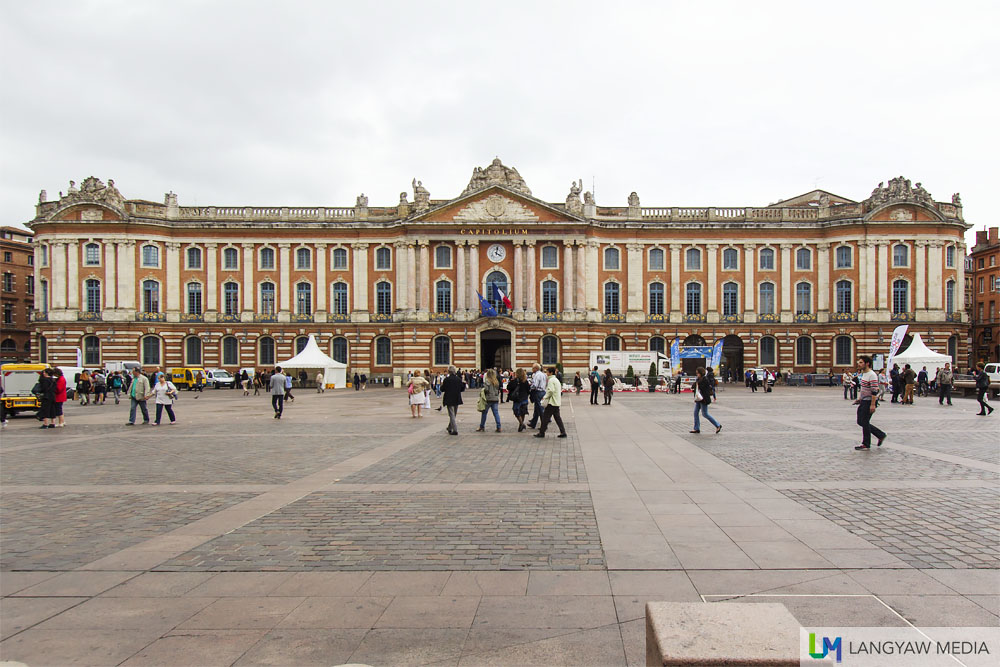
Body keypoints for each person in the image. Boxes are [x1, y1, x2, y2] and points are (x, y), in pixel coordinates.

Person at [853, 355, 886, 450]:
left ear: (867, 363)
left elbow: (874, 390)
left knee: (864, 421)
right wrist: (860, 398)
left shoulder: (872, 375)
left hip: (869, 402)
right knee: (861, 421)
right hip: (864, 401)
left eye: (861, 362)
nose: (858, 364)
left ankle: (866, 443)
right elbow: (864, 388)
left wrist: (872, 404)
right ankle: (880, 435)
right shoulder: (864, 374)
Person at [534, 366, 567, 438]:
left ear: (551, 373)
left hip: (551, 402)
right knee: (557, 417)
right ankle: (563, 431)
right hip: (556, 401)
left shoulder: (551, 380)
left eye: (547, 372)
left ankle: (542, 432)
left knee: (545, 417)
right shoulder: (556, 380)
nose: (546, 373)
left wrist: (545, 397)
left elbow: (550, 390)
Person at [690, 366, 722, 434]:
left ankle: (718, 425)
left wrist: (696, 385)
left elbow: (703, 388)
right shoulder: (698, 379)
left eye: (697, 373)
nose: (697, 374)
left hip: (703, 399)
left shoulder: (705, 379)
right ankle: (696, 428)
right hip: (699, 399)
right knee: (695, 413)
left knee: (705, 414)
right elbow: (695, 386)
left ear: (701, 373)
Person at [441, 365, 464, 435]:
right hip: (456, 398)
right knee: (454, 414)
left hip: (449, 399)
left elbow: (442, 389)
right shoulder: (458, 379)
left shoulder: (447, 379)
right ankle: (449, 427)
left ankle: (455, 430)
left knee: (451, 415)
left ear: (449, 371)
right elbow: (462, 389)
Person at [508, 367, 531, 432]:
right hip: (524, 398)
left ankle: (521, 424)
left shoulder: (514, 381)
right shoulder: (525, 381)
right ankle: (521, 424)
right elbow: (528, 390)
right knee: (522, 412)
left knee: (516, 412)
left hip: (517, 399)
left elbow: (508, 387)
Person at [526, 364, 547, 428]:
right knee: (537, 409)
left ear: (536, 368)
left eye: (533, 368)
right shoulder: (543, 374)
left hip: (538, 392)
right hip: (543, 391)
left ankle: (544, 425)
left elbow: (535, 385)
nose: (532, 369)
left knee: (540, 409)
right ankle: (533, 423)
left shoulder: (537, 375)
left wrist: (530, 387)